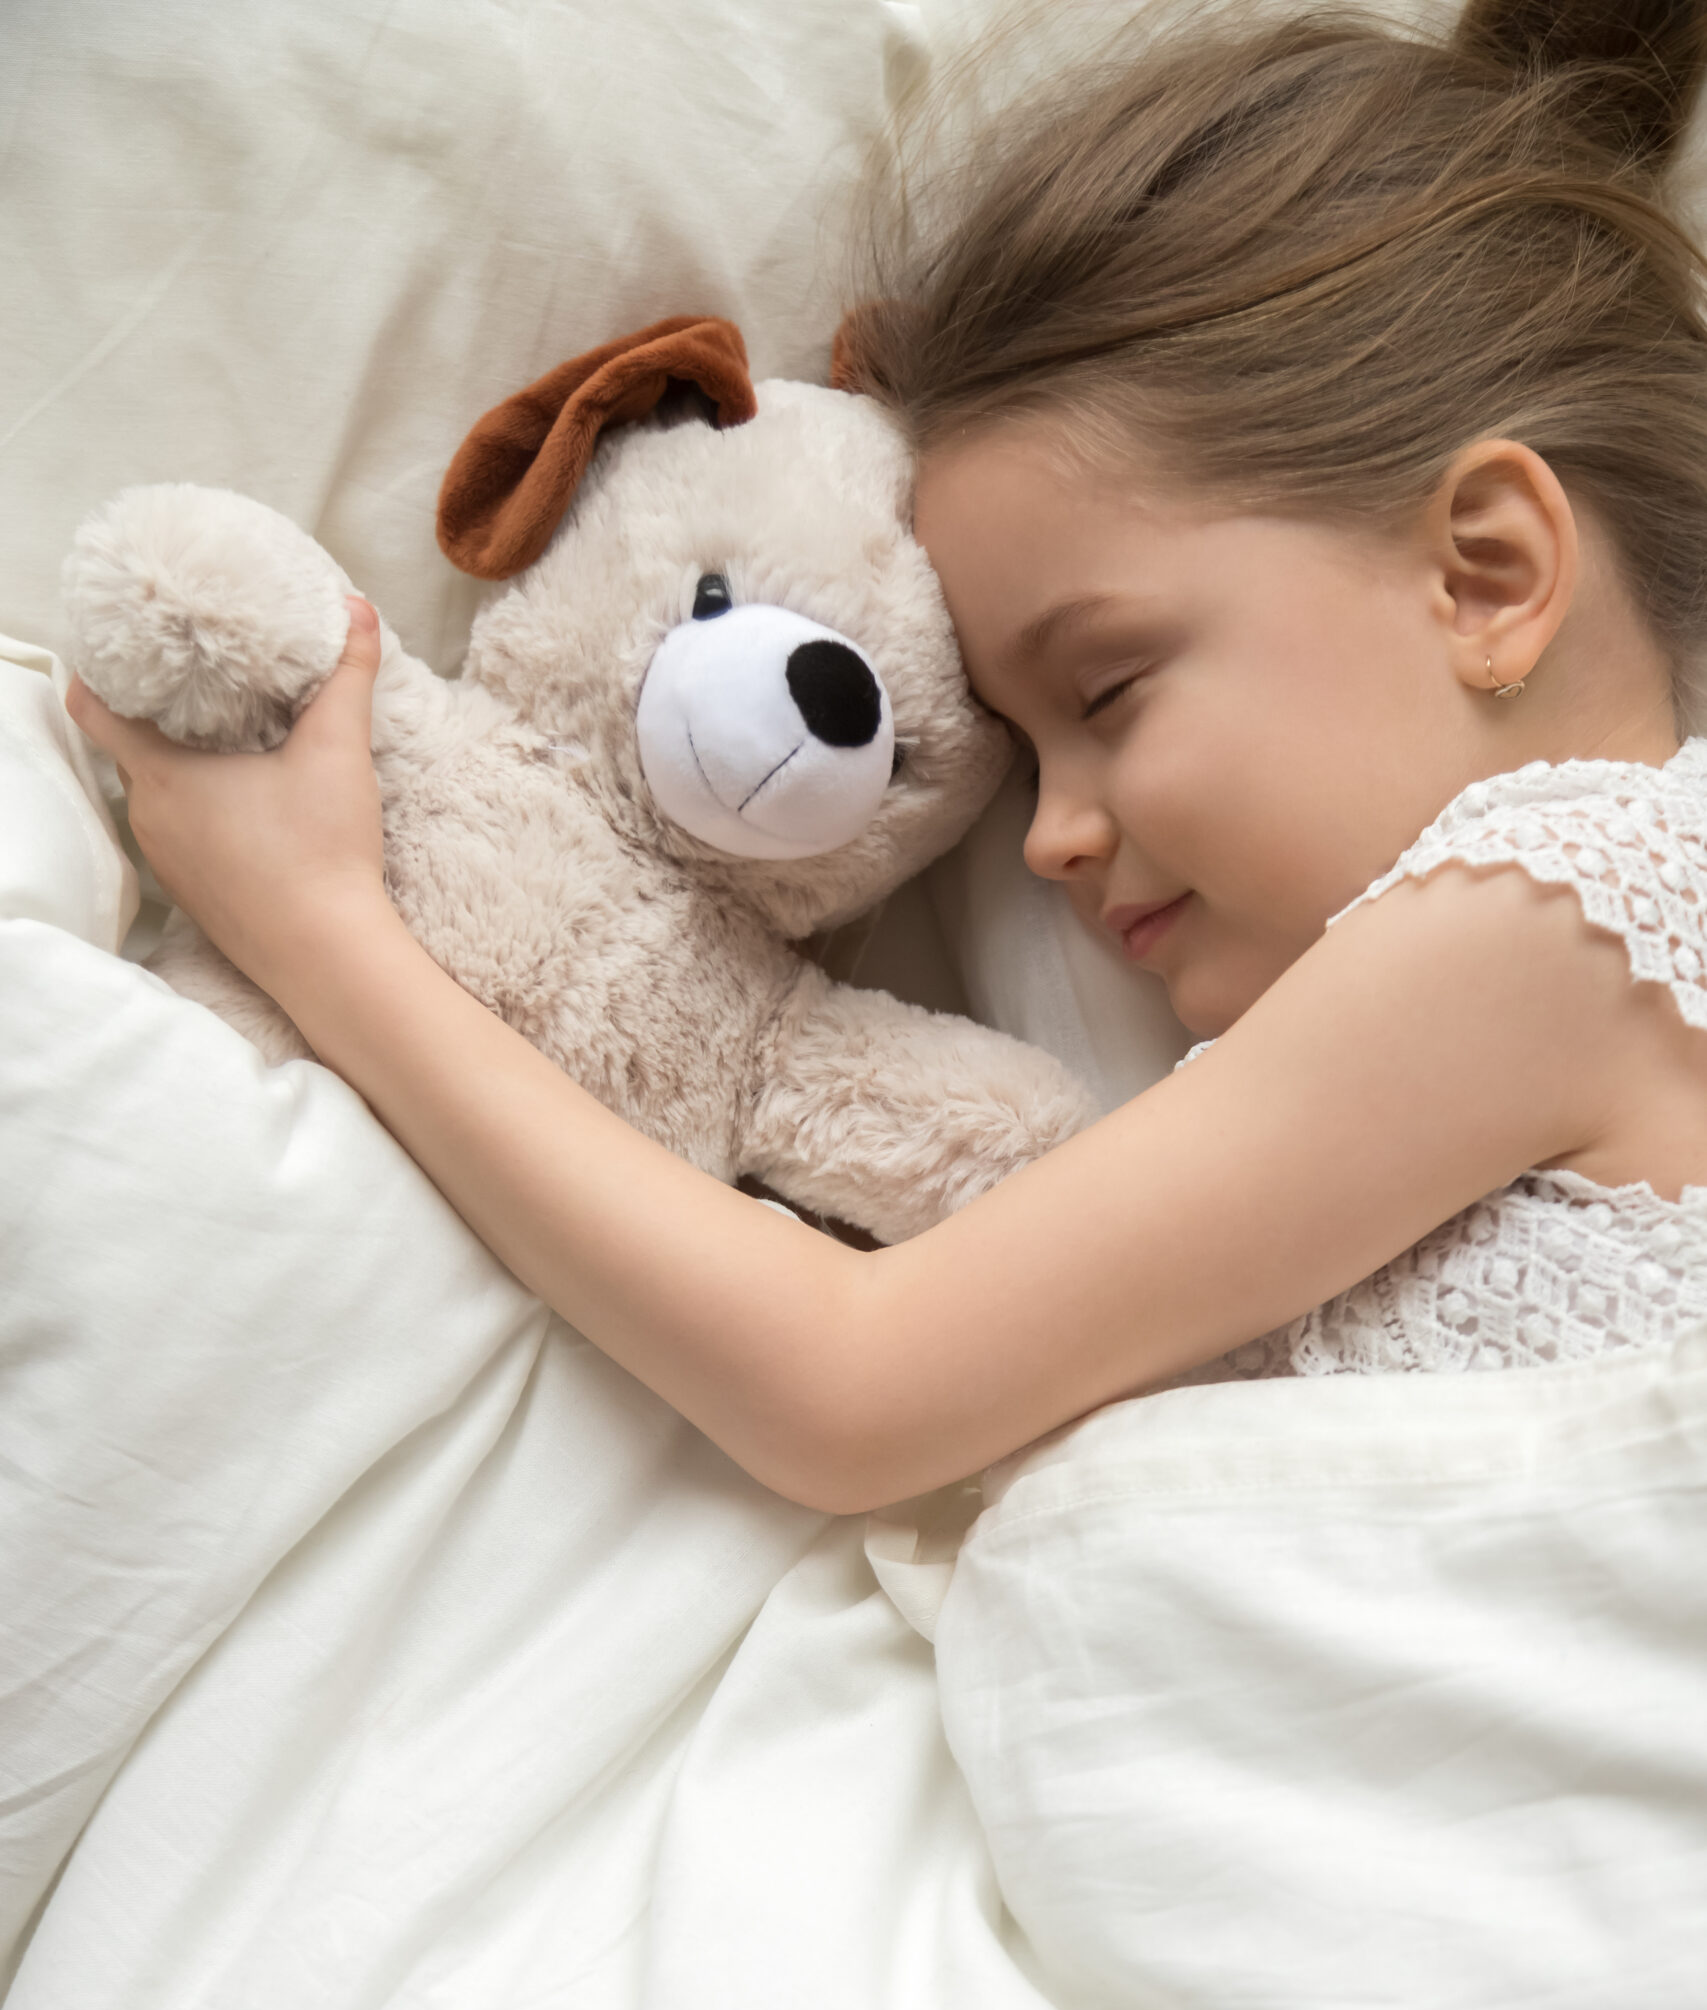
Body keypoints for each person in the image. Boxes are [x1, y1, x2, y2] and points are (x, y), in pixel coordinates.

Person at [70, 0, 1707, 1515]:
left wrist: (326, 937)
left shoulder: (1558, 911)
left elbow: (855, 1386)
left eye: (1111, 687)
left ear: (1486, 573)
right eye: (1021, 747)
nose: (1051, 838)